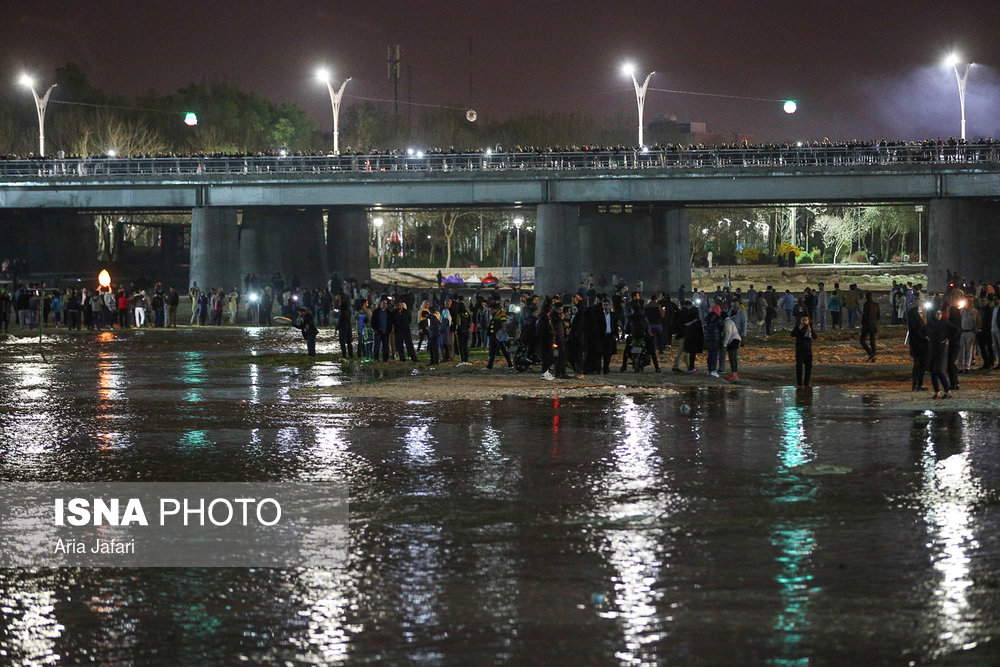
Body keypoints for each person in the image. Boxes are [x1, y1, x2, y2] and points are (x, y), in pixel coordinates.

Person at [926, 308, 957, 399]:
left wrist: (948, 338)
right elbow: (922, 331)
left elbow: (956, 330)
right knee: (933, 371)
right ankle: (937, 391)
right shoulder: (931, 323)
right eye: (937, 313)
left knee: (939, 370)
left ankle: (947, 390)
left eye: (940, 313)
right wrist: (927, 338)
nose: (938, 315)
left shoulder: (945, 323)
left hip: (941, 349)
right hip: (932, 348)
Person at [906, 297, 929, 391]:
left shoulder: (914, 315)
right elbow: (918, 331)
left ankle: (917, 383)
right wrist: (925, 338)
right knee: (920, 364)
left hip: (917, 344)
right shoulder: (915, 316)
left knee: (918, 364)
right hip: (919, 344)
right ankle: (918, 384)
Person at [485, 302, 513, 369]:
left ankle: (510, 365)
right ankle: (489, 366)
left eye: (491, 310)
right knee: (492, 351)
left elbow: (503, 324)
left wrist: (502, 334)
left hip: (498, 336)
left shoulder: (501, 314)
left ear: (496, 309)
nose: (490, 312)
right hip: (492, 335)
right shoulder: (495, 315)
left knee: (504, 351)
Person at [791, 314, 817, 387]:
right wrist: (799, 329)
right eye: (803, 320)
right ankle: (799, 383)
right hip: (799, 350)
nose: (805, 321)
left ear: (808, 321)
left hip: (808, 350)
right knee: (799, 367)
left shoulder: (809, 328)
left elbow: (815, 337)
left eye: (806, 320)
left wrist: (811, 331)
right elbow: (792, 334)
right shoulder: (798, 327)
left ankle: (806, 383)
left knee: (808, 367)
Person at [860, 291, 880, 362]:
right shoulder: (876, 304)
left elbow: (865, 316)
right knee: (872, 341)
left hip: (867, 325)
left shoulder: (866, 304)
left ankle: (870, 353)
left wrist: (863, 323)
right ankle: (873, 356)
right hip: (874, 325)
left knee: (862, 340)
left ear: (866, 296)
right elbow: (878, 316)